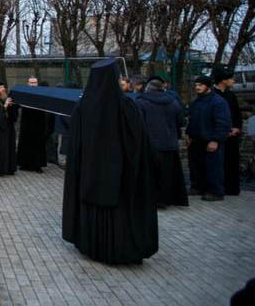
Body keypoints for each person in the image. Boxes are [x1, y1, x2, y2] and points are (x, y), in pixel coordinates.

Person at [62, 58, 158, 265]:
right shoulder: (126, 106)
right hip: (119, 175)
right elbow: (138, 142)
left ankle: (93, 245)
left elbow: (75, 144)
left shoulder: (82, 107)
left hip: (89, 175)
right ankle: (117, 248)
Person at [135, 78, 188, 207]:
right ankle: (167, 199)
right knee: (168, 173)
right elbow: (181, 121)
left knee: (152, 174)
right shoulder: (173, 102)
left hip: (151, 143)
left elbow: (138, 124)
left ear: (148, 88)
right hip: (170, 143)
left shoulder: (141, 102)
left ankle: (154, 200)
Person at [187, 75, 232, 201]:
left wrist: (215, 140)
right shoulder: (196, 102)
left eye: (200, 85)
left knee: (213, 168)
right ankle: (198, 187)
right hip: (196, 139)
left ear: (208, 86)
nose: (197, 87)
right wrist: (189, 134)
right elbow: (192, 120)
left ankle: (215, 191)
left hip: (210, 139)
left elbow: (223, 123)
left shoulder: (218, 102)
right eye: (196, 85)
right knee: (196, 166)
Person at [213, 67, 242, 196]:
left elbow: (237, 114)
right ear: (223, 80)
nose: (233, 81)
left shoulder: (231, 95)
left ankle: (232, 187)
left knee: (232, 161)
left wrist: (236, 128)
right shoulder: (213, 95)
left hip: (232, 134)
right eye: (230, 79)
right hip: (219, 134)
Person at [17, 76, 48, 173]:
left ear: (37, 84)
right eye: (31, 82)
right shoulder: (24, 94)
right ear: (28, 83)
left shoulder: (42, 94)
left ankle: (38, 165)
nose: (33, 84)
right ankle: (24, 164)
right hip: (26, 123)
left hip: (38, 123)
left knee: (38, 144)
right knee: (25, 143)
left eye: (34, 83)